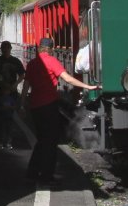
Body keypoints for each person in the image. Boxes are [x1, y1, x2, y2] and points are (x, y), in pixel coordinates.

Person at [21, 37, 100, 183]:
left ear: (39, 48)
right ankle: (46, 175)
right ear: (50, 48)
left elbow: (26, 85)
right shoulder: (51, 61)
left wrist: (21, 104)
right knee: (51, 141)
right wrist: (87, 86)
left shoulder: (32, 63)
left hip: (34, 106)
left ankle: (32, 172)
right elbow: (68, 79)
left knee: (41, 139)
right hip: (48, 105)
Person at [0, 41, 25, 149]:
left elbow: (22, 75)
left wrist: (15, 84)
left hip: (11, 92)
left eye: (7, 48)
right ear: (1, 49)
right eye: (4, 49)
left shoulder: (15, 61)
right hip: (0, 91)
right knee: (1, 117)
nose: (5, 50)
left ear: (10, 49)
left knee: (8, 117)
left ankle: (7, 141)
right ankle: (1, 141)